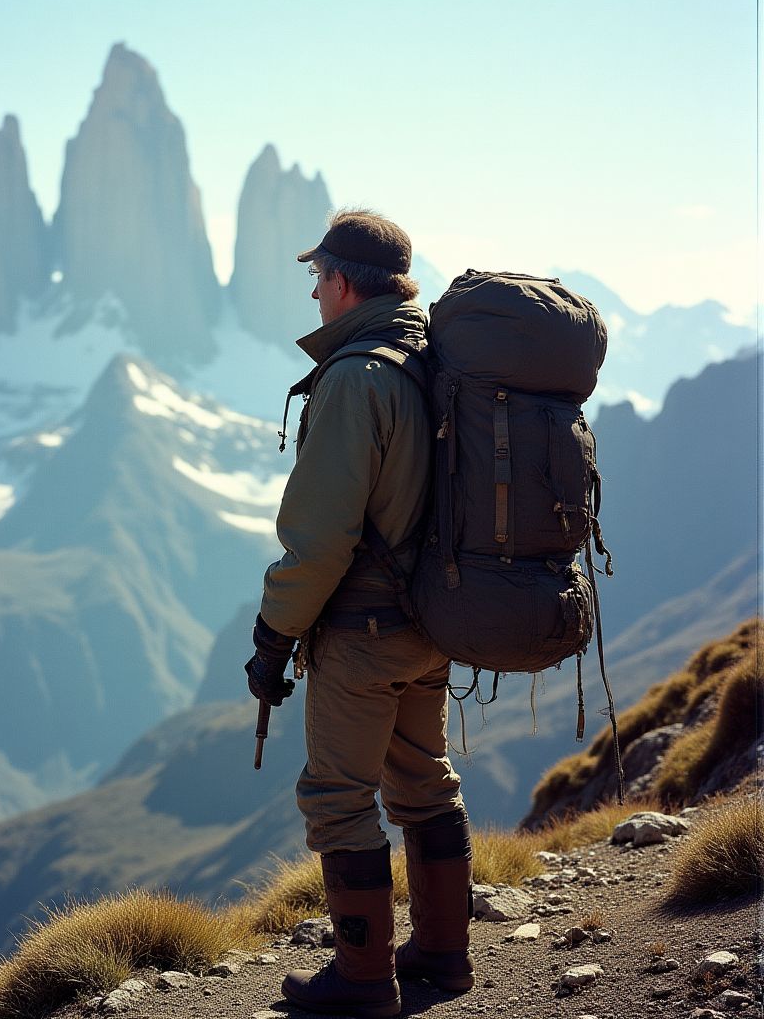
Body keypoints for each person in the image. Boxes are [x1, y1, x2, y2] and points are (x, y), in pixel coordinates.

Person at [245, 210, 474, 1018]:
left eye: (318, 279)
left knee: (338, 799)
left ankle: (364, 979)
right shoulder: (436, 356)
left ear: (343, 282)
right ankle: (444, 954)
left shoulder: (354, 378)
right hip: (435, 622)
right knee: (425, 783)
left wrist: (273, 636)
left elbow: (319, 539)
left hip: (363, 634)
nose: (314, 294)